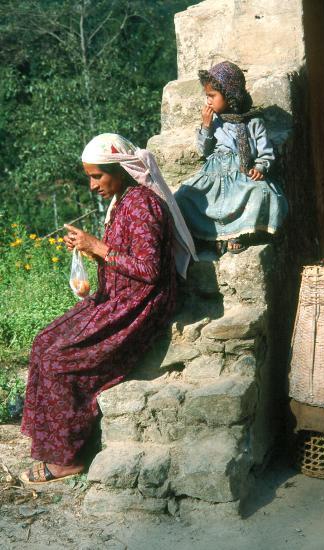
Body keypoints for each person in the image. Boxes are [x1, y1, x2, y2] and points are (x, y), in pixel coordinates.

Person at [19, 133, 197, 484]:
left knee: (59, 359)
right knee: (42, 341)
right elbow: (123, 255)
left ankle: (68, 458)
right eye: (89, 176)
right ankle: (52, 445)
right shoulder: (124, 200)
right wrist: (90, 249)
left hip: (138, 307)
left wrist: (97, 247)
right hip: (115, 298)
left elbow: (149, 271)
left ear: (120, 170)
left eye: (97, 176)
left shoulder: (143, 204)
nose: (92, 185)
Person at [174, 61, 288, 254]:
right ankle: (209, 235)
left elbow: (265, 152)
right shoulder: (215, 122)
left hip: (241, 174)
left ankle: (239, 233)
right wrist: (206, 126)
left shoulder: (253, 122)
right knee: (182, 197)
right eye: (207, 96)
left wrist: (260, 168)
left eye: (212, 96)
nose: (208, 101)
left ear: (230, 95)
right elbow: (204, 151)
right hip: (214, 174)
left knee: (262, 193)